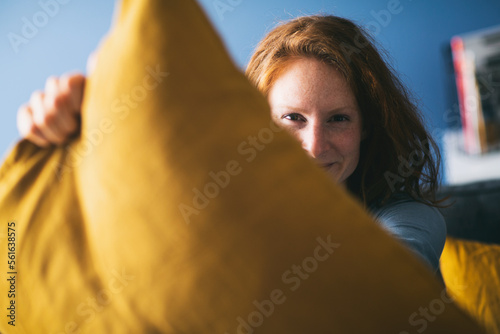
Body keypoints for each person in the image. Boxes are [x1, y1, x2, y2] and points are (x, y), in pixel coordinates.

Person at [16, 15, 446, 272]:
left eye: (338, 120)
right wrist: (77, 126)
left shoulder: (407, 217)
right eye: (292, 118)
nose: (315, 147)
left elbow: (387, 285)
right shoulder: (222, 192)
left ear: (367, 126)